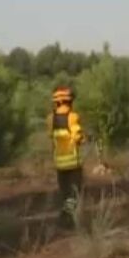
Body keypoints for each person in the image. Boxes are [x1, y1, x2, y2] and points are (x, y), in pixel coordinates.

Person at [48, 86, 85, 226]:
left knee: (65, 194)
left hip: (59, 164)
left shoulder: (51, 119)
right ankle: (67, 220)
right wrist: (83, 138)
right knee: (74, 194)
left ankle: (67, 218)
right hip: (73, 164)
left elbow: (51, 136)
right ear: (69, 102)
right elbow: (77, 137)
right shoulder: (73, 117)